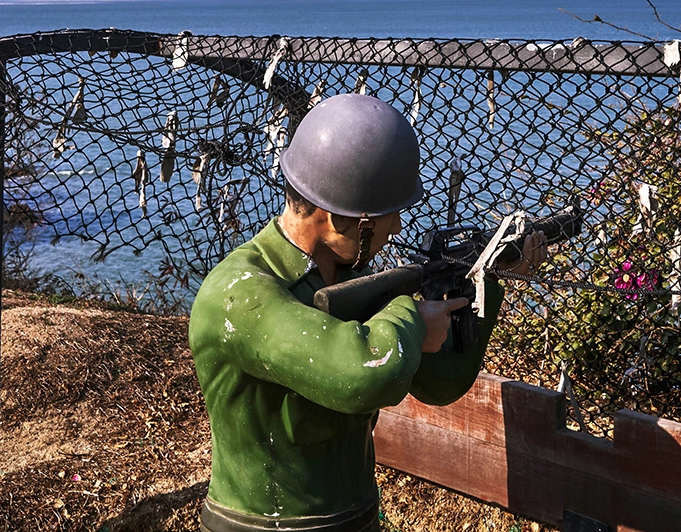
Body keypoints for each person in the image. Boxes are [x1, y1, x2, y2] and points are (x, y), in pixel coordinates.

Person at [188, 93, 546, 532]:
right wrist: (412, 317)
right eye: (385, 215)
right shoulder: (240, 294)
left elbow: (441, 383)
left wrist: (485, 280)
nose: (396, 226)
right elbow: (367, 371)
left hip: (356, 518)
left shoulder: (345, 280)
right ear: (340, 219)